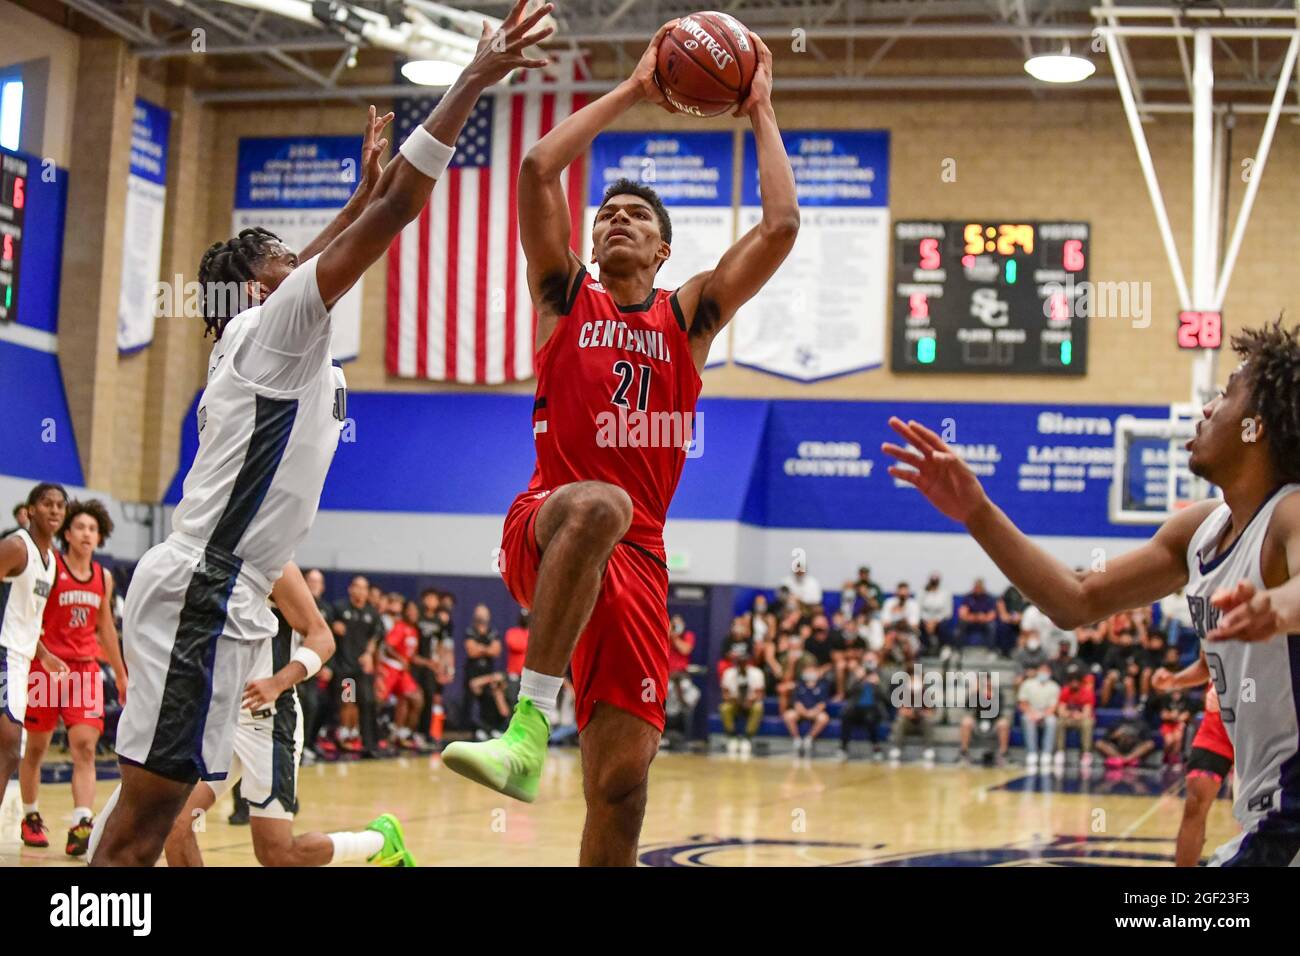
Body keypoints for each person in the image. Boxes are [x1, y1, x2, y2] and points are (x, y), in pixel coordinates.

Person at [90, 17, 554, 865]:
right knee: (140, 830)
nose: (304, 259)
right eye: (283, 257)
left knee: (153, 821)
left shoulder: (264, 331)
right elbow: (396, 215)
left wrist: (358, 196)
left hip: (220, 593)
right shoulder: (276, 329)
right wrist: (472, 80)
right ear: (262, 285)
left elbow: (341, 238)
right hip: (205, 589)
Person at [442, 20, 798, 867]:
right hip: (548, 519)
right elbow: (536, 170)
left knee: (622, 788)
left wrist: (761, 107)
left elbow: (781, 226)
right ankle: (528, 724)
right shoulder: (567, 298)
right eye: (604, 215)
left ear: (664, 247)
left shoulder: (688, 314)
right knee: (602, 501)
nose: (614, 223)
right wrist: (639, 87)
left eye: (634, 215)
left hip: (639, 560)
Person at [882, 322, 1300, 864]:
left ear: (1255, 428)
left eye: (1225, 395)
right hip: (1269, 827)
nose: (1206, 408)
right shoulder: (1198, 531)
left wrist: (1277, 607)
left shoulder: (1288, 513)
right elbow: (1075, 599)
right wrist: (977, 513)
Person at [160, 563, 414, 867]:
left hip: (271, 720)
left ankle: (378, 841)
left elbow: (324, 639)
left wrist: (277, 682)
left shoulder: (274, 564)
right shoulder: (207, 562)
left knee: (277, 854)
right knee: (173, 822)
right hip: (224, 719)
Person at [19, 499, 128, 855]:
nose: (86, 533)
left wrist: (122, 675)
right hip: (46, 668)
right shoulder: (51, 568)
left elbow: (106, 628)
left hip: (83, 670)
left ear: (100, 536)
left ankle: (82, 823)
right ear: (67, 533)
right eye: (79, 527)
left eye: (92, 529)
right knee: (35, 749)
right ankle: (31, 815)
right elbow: (30, 618)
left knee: (84, 746)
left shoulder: (103, 577)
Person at [0, 484, 66, 810]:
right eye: (46, 503)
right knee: (9, 747)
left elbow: (27, 618)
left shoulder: (52, 562)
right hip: (3, 654)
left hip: (21, 660)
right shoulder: (16, 547)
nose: (54, 510)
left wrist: (44, 654)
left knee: (10, 749)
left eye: (60, 505)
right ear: (30, 510)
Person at [1153, 653, 1233, 866]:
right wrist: (1175, 680)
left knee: (1258, 814)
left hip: (1263, 725)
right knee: (1195, 802)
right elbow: (1206, 664)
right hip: (1218, 726)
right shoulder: (1207, 621)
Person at [329, 575, 385, 755]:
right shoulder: (339, 608)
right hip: (345, 668)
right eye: (357, 587)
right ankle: (345, 738)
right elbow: (324, 625)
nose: (360, 591)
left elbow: (376, 636)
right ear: (350, 589)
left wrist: (369, 654)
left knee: (368, 702)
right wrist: (333, 626)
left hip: (362, 669)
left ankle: (369, 745)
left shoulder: (372, 613)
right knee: (348, 701)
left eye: (364, 588)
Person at [377, 600, 426, 750]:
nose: (413, 613)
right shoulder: (400, 627)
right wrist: (400, 659)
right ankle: (371, 734)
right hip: (390, 667)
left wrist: (431, 664)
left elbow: (412, 656)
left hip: (402, 671)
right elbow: (388, 647)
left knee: (413, 699)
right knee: (378, 700)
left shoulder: (414, 630)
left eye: (415, 611)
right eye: (410, 610)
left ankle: (401, 733)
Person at [462, 604, 507, 738]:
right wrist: (488, 649)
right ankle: (477, 729)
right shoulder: (470, 631)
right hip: (473, 673)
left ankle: (492, 728)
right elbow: (471, 651)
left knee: (492, 696)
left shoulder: (493, 632)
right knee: (473, 697)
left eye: (484, 614)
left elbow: (496, 651)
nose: (482, 617)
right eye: (479, 614)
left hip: (488, 672)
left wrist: (480, 648)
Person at [839, 655, 888, 760]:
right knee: (846, 715)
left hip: (873, 708)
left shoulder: (882, 675)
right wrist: (858, 679)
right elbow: (848, 691)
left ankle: (876, 748)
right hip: (856, 708)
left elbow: (887, 697)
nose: (869, 662)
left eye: (872, 660)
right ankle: (843, 748)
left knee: (870, 718)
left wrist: (878, 684)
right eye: (867, 660)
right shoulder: (856, 674)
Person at [719, 646, 764, 756]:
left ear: (748, 661)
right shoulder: (728, 673)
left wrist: (750, 700)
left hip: (750, 703)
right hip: (734, 702)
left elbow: (759, 694)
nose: (742, 664)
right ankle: (732, 736)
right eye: (739, 661)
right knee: (724, 708)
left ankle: (747, 738)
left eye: (744, 661)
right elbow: (725, 694)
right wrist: (734, 700)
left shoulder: (756, 673)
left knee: (758, 708)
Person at [958, 672, 1010, 766]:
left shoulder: (998, 694)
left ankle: (1003, 754)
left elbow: (998, 711)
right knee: (966, 721)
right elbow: (967, 707)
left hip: (994, 723)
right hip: (978, 722)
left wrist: (989, 697)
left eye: (987, 680)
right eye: (982, 681)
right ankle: (964, 753)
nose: (985, 683)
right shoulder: (975, 693)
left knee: (1004, 723)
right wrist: (974, 693)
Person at [1016, 662, 1059, 771]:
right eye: (1041, 670)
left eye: (1046, 671)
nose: (1043, 673)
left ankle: (1046, 753)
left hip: (1046, 713)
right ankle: (1032, 753)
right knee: (1027, 719)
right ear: (1037, 671)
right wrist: (1032, 713)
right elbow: (1022, 703)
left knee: (1052, 721)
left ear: (1050, 673)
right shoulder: (1028, 684)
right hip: (1031, 712)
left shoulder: (1054, 686)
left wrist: (1043, 714)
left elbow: (1054, 706)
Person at [1054, 664, 1096, 771]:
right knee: (1059, 722)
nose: (1074, 682)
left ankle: (1086, 753)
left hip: (1082, 719)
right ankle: (1060, 752)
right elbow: (1060, 710)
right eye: (1072, 680)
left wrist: (1078, 715)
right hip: (1070, 718)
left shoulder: (1087, 692)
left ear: (1080, 681)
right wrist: (1071, 714)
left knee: (1087, 723)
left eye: (1076, 680)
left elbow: (1087, 712)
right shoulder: (1065, 691)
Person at [783, 666, 830, 757]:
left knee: (824, 718)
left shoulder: (822, 686)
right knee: (788, 715)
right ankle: (797, 740)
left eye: (812, 671)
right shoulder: (799, 685)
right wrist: (804, 712)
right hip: (801, 712)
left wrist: (813, 712)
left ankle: (808, 739)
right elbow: (797, 703)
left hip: (815, 712)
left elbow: (822, 704)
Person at [956, 579, 997, 651]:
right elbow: (962, 614)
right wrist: (976, 617)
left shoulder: (989, 598)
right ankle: (958, 650)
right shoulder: (968, 597)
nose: (977, 589)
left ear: (983, 588)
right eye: (976, 587)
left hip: (984, 622)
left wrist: (983, 618)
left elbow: (992, 615)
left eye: (979, 587)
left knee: (992, 626)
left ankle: (990, 650)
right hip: (970, 621)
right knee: (961, 623)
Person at [918, 573, 952, 655]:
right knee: (918, 627)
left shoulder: (945, 593)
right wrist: (927, 622)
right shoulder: (922, 592)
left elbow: (947, 612)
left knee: (944, 626)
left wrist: (935, 622)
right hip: (924, 620)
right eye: (932, 581)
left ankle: (943, 650)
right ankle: (923, 650)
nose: (934, 583)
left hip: (939, 620)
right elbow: (918, 610)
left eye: (935, 581)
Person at [504, 610, 530, 707]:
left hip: (527, 675)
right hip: (514, 674)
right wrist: (528, 645)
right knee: (512, 700)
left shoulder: (534, 633)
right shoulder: (512, 632)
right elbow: (514, 645)